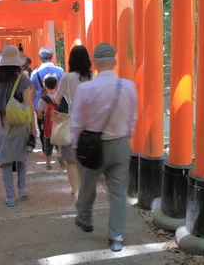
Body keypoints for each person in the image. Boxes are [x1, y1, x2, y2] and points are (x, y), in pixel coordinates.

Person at [71, 43, 137, 252]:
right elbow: (132, 119)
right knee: (118, 193)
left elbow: (77, 121)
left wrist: (75, 145)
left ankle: (85, 218)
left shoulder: (86, 88)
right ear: (115, 61)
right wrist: (126, 135)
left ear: (95, 63)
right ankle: (116, 238)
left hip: (92, 145)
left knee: (88, 184)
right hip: (119, 144)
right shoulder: (128, 87)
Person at [0, 45, 37, 207]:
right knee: (21, 157)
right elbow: (29, 105)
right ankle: (22, 188)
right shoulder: (22, 79)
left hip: (2, 123)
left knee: (6, 162)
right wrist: (33, 127)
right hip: (20, 124)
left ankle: (10, 196)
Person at [54, 45, 93, 202]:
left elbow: (56, 99)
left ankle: (76, 192)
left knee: (71, 159)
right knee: (84, 158)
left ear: (71, 60)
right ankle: (84, 189)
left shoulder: (67, 78)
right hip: (90, 124)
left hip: (72, 122)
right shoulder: (93, 78)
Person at [30, 47, 64, 160]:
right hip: (57, 104)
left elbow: (33, 91)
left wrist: (30, 104)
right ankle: (60, 149)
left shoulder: (35, 73)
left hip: (41, 104)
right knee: (58, 125)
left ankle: (45, 150)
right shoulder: (60, 70)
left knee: (43, 126)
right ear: (52, 57)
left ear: (40, 58)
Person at [36, 74, 58, 170]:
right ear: (56, 85)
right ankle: (61, 159)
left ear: (45, 85)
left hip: (48, 125)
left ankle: (48, 164)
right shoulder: (60, 97)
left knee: (47, 144)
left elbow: (39, 113)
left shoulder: (43, 99)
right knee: (59, 144)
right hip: (59, 124)